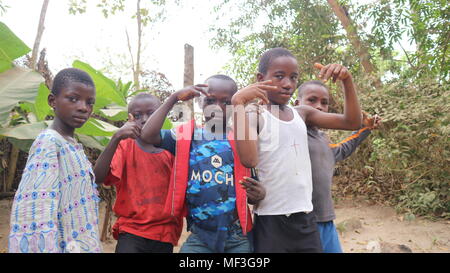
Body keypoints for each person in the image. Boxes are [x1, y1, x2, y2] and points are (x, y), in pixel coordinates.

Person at [230, 47, 362, 253]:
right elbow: (249, 160)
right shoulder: (255, 115)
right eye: (279, 76)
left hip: (306, 218)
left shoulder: (302, 113)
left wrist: (347, 80)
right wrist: (238, 102)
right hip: (270, 220)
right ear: (260, 78)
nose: (287, 84)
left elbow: (352, 122)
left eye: (293, 77)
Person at [140, 74, 266, 253]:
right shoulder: (186, 136)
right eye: (210, 100)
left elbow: (252, 187)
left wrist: (259, 194)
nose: (218, 108)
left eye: (226, 102)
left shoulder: (241, 141)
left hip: (236, 238)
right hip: (200, 237)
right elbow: (147, 136)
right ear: (200, 102)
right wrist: (173, 98)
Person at [8, 68, 102, 253]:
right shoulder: (49, 143)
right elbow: (37, 210)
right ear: (53, 101)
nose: (84, 107)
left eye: (89, 102)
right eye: (73, 99)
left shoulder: (71, 144)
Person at [296, 80, 382, 253]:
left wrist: (365, 129)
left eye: (324, 102)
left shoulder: (322, 139)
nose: (319, 107)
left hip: (326, 220)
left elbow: (340, 151)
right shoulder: (291, 133)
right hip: (301, 223)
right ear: (297, 104)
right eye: (311, 100)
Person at [93, 93, 183, 253]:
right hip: (131, 229)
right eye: (137, 115)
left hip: (164, 232)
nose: (145, 118)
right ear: (130, 118)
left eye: (152, 113)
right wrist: (116, 137)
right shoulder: (125, 146)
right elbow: (98, 177)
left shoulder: (172, 147)